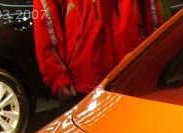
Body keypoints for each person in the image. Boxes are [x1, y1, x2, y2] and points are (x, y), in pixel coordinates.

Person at [33, 0, 163, 111]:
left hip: (132, 73)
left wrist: (157, 56)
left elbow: (150, 8)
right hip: (83, 82)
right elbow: (46, 18)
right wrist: (56, 76)